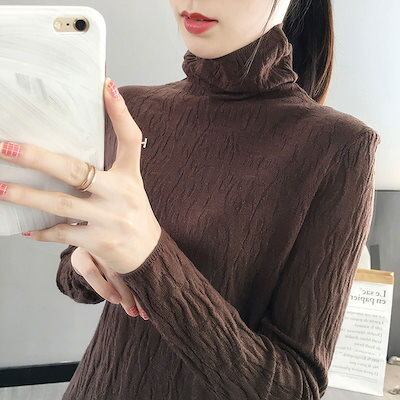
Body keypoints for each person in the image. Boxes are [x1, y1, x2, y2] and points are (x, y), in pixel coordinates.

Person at [51, 0, 380, 399]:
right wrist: (84, 262)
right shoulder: (131, 108)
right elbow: (72, 272)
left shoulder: (340, 147)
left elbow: (294, 388)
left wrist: (150, 258)